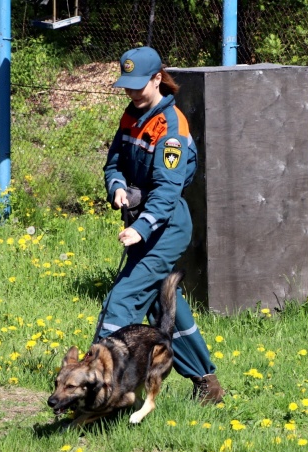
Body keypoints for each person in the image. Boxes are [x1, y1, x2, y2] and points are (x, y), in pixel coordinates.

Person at [93, 46, 225, 404]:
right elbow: (113, 165)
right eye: (127, 85)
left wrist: (142, 228)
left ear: (156, 79)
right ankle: (207, 383)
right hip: (143, 222)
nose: (132, 92)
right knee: (164, 304)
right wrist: (117, 188)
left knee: (124, 296)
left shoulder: (170, 127)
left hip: (166, 226)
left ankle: (102, 384)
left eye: (139, 85)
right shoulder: (131, 115)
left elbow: (168, 192)